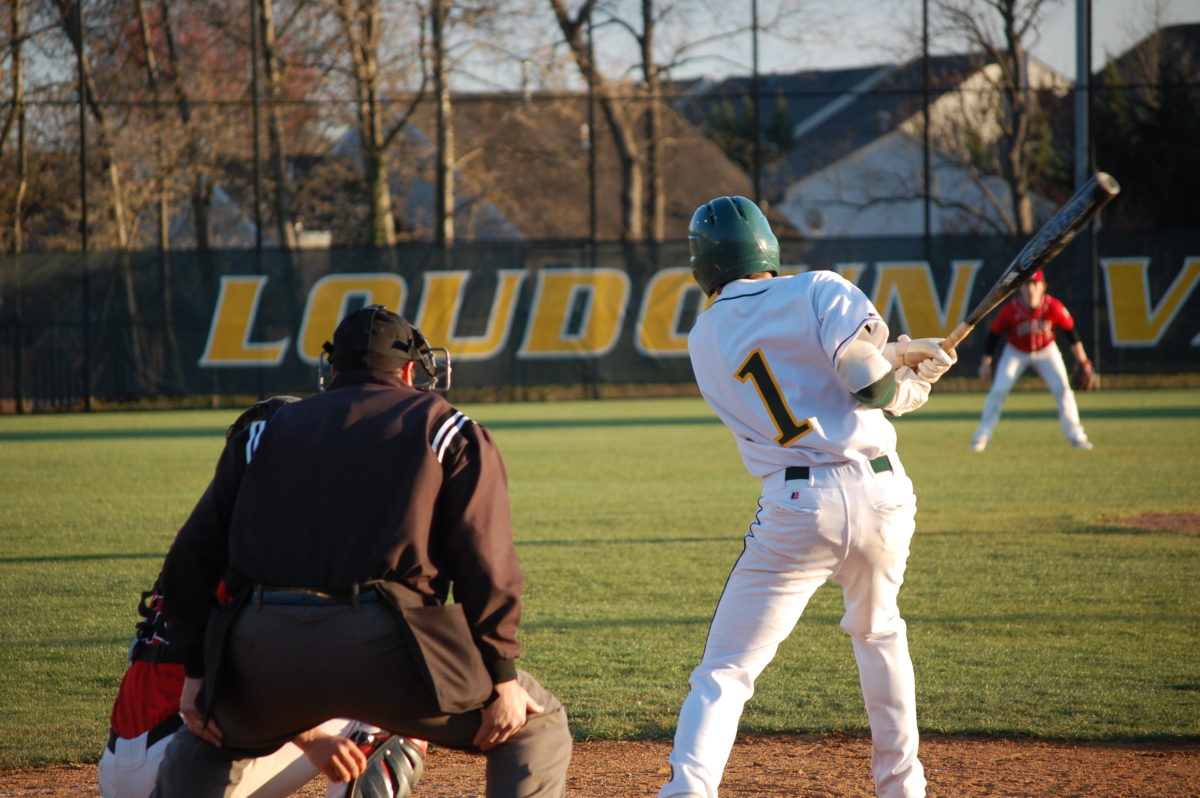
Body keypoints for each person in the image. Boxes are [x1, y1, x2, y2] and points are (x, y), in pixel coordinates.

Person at [150, 306, 571, 798]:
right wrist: (501, 676)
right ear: (411, 370)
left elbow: (190, 558)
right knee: (535, 722)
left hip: (263, 649)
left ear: (331, 370)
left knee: (209, 736)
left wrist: (199, 674)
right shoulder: (446, 427)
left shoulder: (263, 431)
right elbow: (487, 563)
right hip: (392, 645)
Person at [657, 196, 956, 798]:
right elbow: (869, 388)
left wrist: (899, 367)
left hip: (796, 506)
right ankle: (903, 788)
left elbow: (817, 389)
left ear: (704, 264)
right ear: (767, 245)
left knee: (726, 672)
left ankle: (687, 793)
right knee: (880, 635)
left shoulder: (703, 336)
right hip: (882, 494)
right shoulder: (821, 286)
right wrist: (907, 371)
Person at [101, 397, 426, 798]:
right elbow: (256, 668)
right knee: (399, 691)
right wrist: (311, 738)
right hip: (182, 764)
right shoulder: (271, 538)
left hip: (124, 761)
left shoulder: (203, 531)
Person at [970, 270, 1094, 451]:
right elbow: (994, 335)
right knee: (998, 391)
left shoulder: (1053, 306)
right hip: (1016, 352)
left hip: (1047, 351)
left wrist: (1083, 361)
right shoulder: (1010, 310)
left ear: (1043, 286)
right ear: (1020, 287)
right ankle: (981, 435)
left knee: (1063, 390)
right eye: (1027, 284)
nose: (1031, 289)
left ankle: (1076, 435)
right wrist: (985, 363)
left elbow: (1071, 335)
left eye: (1035, 284)